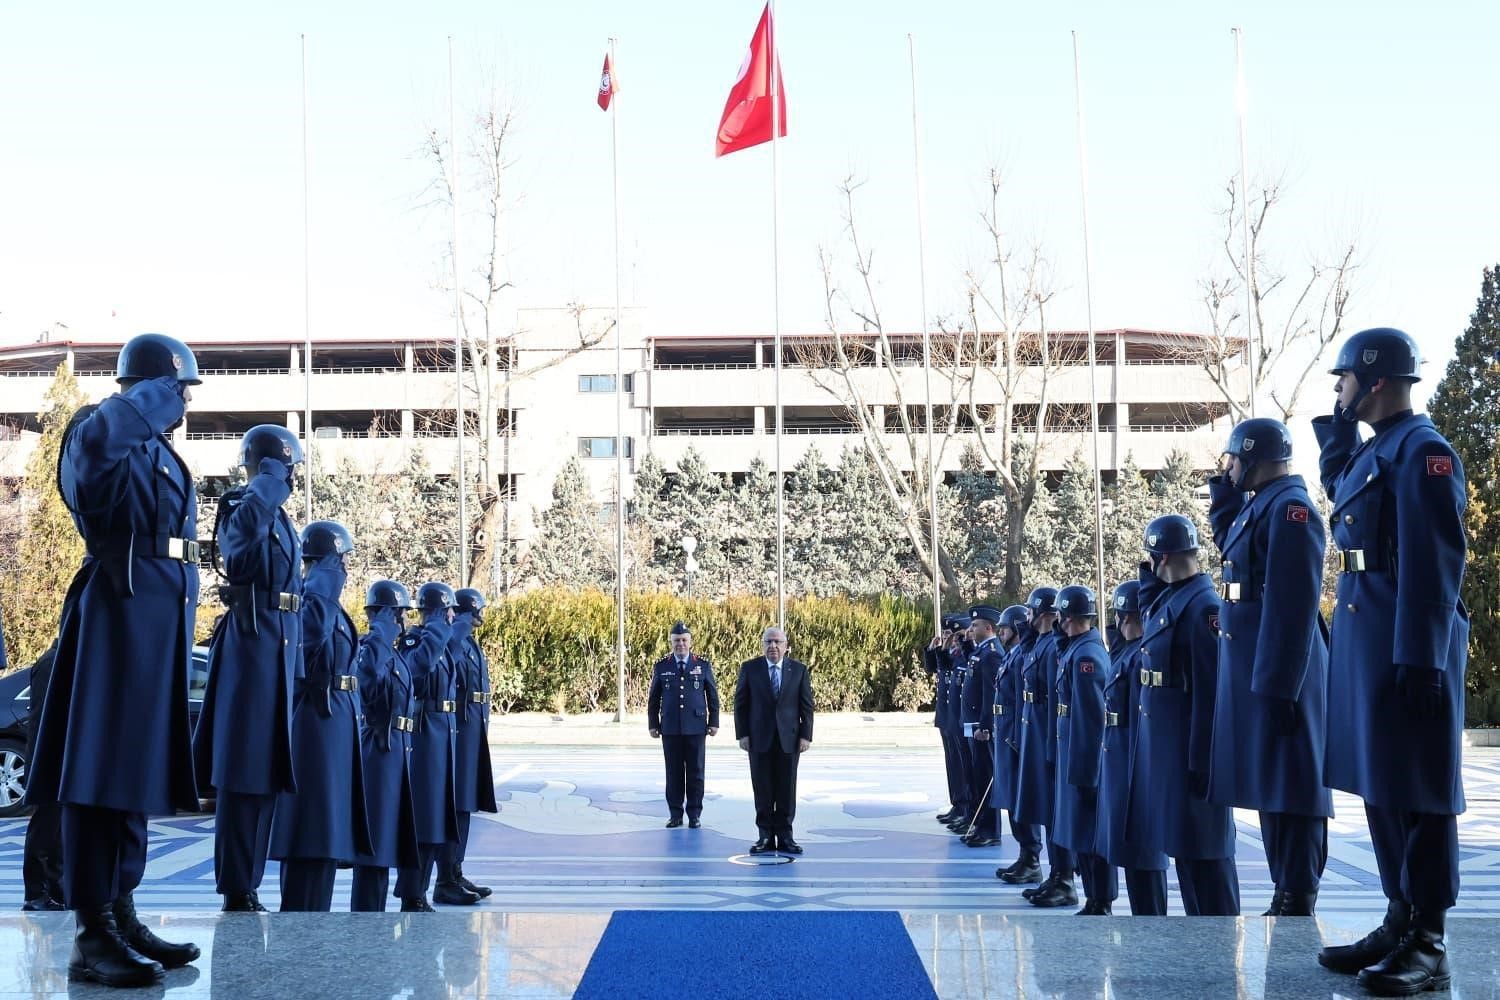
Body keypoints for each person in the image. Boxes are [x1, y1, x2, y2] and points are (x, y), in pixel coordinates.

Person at [25, 333, 203, 986]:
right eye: (176, 388)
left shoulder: (156, 448)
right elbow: (93, 465)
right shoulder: (99, 427)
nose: (183, 402)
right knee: (100, 775)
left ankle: (122, 912)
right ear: (149, 387)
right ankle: (91, 933)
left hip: (152, 625)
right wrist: (141, 405)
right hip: (116, 617)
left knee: (133, 774)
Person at [1312, 327, 1468, 995]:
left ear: (1373, 380)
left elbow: (1435, 565)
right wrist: (1337, 428)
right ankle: (1398, 917)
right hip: (1372, 637)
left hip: (1407, 643)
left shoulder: (1423, 452)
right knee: (1383, 784)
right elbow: (1341, 488)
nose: (1339, 392)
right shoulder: (1382, 450)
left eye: (1343, 381)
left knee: (1421, 791)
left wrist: (1422, 657)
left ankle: (1427, 940)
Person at [1206, 417, 1333, 917]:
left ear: (1254, 456)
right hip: (1259, 665)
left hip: (1285, 669)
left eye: (1233, 459)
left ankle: (1298, 891)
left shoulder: (1291, 510)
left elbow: (1293, 603)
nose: (1229, 467)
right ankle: (1285, 888)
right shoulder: (1261, 506)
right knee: (1273, 781)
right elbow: (1232, 549)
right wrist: (1223, 491)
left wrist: (1281, 685)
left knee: (1296, 784)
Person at [194, 423, 304, 913]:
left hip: (277, 650)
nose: (293, 478)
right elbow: (238, 562)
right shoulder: (245, 507)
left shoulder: (279, 519)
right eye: (288, 469)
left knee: (267, 773)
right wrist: (261, 487)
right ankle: (237, 886)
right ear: (269, 466)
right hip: (251, 647)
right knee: (243, 775)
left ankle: (249, 882)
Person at [1133, 514, 1240, 916]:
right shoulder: (1175, 600)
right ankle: (1202, 953)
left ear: (1163, 557)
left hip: (1190, 753)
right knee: (1187, 854)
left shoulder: (1203, 608)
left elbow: (1212, 693)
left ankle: (1218, 952)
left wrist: (1203, 758)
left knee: (1206, 858)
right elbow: (1153, 623)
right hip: (1171, 751)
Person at [269, 520, 372, 911]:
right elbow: (310, 636)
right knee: (312, 829)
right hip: (315, 725)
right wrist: (326, 579)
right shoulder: (310, 594)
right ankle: (303, 919)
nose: (346, 567)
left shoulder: (322, 597)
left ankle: (315, 916)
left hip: (332, 726)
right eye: (341, 559)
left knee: (325, 833)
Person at [1096, 580, 1169, 916]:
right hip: (1119, 755)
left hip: (1135, 758)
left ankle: (1151, 921)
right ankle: (1143, 919)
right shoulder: (1125, 652)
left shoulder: (1143, 656)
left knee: (1143, 851)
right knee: (1129, 849)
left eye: (1131, 617)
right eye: (1120, 618)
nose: (1124, 624)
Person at [349, 580, 421, 912]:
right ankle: (366, 917)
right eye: (397, 614)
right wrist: (378, 632)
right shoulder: (371, 648)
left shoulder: (393, 652)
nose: (402, 621)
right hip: (378, 752)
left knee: (388, 841)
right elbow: (367, 680)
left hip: (396, 752)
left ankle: (374, 913)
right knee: (375, 844)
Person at [394, 582, 463, 910]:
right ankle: (412, 892)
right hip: (422, 738)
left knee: (438, 818)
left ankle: (421, 890)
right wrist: (435, 630)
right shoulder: (415, 640)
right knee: (423, 818)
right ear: (436, 610)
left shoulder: (442, 640)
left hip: (442, 736)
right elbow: (414, 673)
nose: (453, 615)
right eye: (448, 609)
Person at [1050, 585, 1113, 914]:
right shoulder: (1077, 648)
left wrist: (1085, 771)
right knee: (1081, 829)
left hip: (1083, 758)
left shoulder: (1086, 655)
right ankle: (1093, 897)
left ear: (1067, 616)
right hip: (1071, 752)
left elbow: (1091, 718)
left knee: (1091, 832)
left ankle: (1100, 899)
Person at [1013, 587, 1075, 908]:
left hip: (1046, 735)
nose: (1026, 617)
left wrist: (1051, 746)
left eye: (1029, 612)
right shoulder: (1041, 643)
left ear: (1041, 612)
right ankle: (1055, 874)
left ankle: (1064, 877)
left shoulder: (1052, 647)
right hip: (1034, 731)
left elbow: (1054, 700)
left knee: (1054, 809)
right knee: (1046, 808)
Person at [436, 588, 497, 901]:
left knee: (465, 804)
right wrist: (456, 629)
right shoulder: (456, 638)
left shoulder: (471, 641)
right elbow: (447, 663)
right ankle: (444, 880)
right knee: (455, 804)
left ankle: (456, 872)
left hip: (472, 730)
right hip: (458, 731)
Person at [734, 626, 813, 855]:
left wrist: (806, 735)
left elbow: (806, 706)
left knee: (787, 790)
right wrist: (743, 735)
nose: (773, 646)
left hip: (789, 740)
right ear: (762, 645)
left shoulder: (798, 670)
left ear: (786, 646)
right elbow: (741, 704)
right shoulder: (750, 669)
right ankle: (765, 837)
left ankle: (786, 837)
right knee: (763, 790)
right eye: (769, 641)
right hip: (759, 740)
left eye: (778, 642)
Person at [647, 621, 720, 828]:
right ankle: (675, 814)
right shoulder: (662, 666)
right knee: (673, 772)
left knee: (696, 772)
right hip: (670, 728)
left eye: (684, 640)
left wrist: (714, 721)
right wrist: (653, 724)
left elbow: (712, 695)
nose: (680, 644)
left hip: (696, 727)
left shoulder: (702, 665)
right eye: (676, 640)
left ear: (690, 642)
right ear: (671, 642)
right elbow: (654, 698)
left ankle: (695, 814)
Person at [992, 605, 1043, 885]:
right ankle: (1025, 856)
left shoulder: (1023, 655)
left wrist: (1016, 736)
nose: (1001, 632)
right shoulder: (1012, 654)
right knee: (1011, 799)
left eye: (1005, 627)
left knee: (1022, 800)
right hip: (1005, 733)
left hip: (1014, 735)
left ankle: (1031, 857)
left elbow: (1023, 699)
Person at [22, 639, 64, 912]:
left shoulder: (58, 659)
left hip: (55, 756)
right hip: (50, 757)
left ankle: (55, 891)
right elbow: (50, 718)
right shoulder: (52, 662)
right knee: (47, 826)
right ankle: (37, 893)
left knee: (57, 828)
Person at [960, 607, 1002, 849]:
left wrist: (986, 726)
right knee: (977, 775)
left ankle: (989, 829)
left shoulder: (992, 654)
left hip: (981, 727)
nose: (971, 629)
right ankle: (979, 824)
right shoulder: (981, 651)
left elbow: (990, 693)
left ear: (989, 628)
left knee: (985, 775)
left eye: (975, 626)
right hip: (973, 724)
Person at [926, 616, 967, 827]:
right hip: (947, 714)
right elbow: (933, 669)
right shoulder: (952, 653)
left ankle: (965, 807)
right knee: (952, 763)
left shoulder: (964, 655)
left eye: (951, 634)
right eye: (946, 633)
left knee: (962, 765)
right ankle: (957, 804)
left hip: (959, 715)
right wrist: (933, 651)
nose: (948, 638)